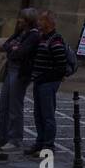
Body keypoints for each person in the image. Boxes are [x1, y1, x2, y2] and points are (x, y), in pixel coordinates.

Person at [0, 8, 40, 151]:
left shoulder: (33, 35)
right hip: (10, 70)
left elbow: (22, 52)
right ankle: (2, 137)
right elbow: (7, 44)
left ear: (28, 20)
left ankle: (15, 139)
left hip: (20, 73)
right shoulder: (20, 31)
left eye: (22, 18)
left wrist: (14, 48)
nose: (19, 20)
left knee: (15, 106)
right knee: (3, 104)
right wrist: (14, 48)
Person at [26, 9, 67, 156]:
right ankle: (40, 142)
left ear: (49, 23)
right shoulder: (42, 37)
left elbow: (61, 66)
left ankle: (48, 146)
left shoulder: (55, 40)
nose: (38, 22)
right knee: (38, 114)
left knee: (47, 115)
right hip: (39, 81)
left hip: (48, 83)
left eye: (42, 20)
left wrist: (46, 78)